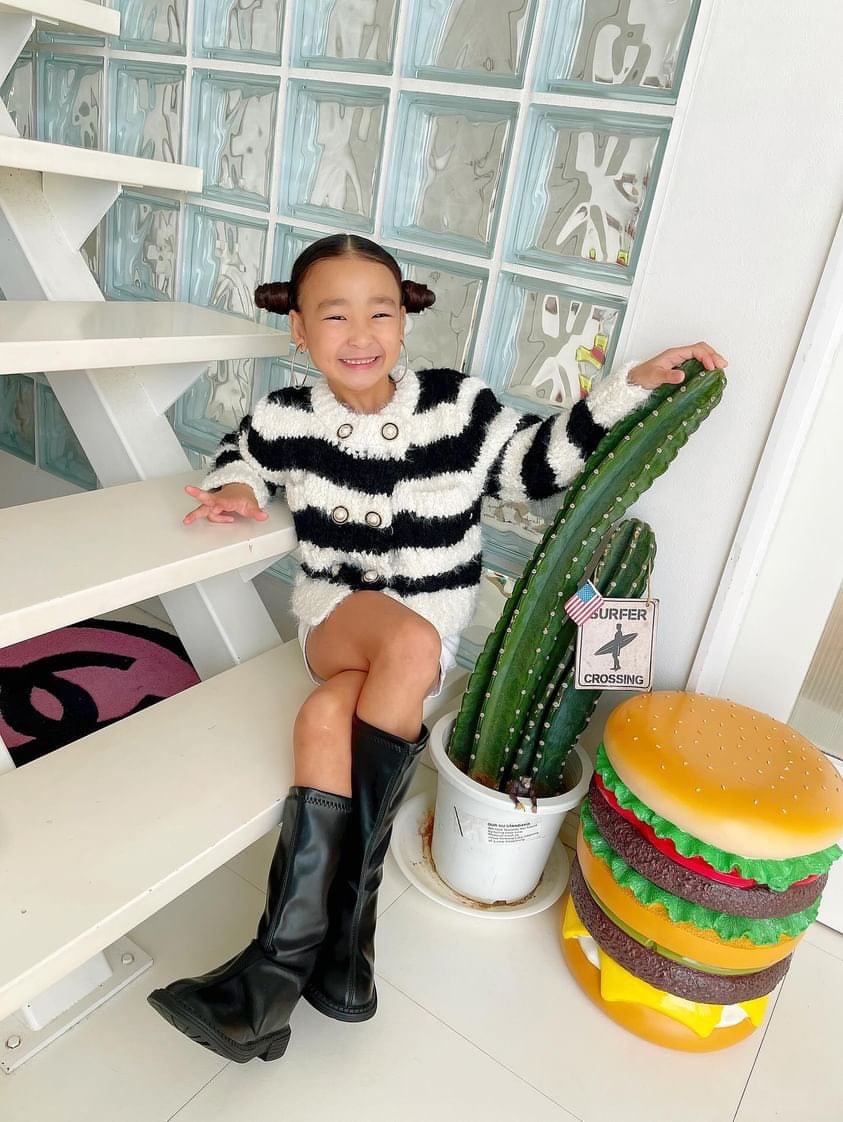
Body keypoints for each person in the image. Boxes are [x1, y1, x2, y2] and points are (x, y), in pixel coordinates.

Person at [147, 233, 727, 1063]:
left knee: (325, 719)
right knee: (406, 642)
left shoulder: (455, 407)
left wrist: (627, 385)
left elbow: (535, 467)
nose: (360, 334)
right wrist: (239, 488)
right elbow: (243, 457)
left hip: (420, 647)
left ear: (404, 321)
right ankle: (344, 950)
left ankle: (282, 974)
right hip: (336, 621)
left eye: (380, 313)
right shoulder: (285, 414)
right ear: (299, 331)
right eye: (334, 315)